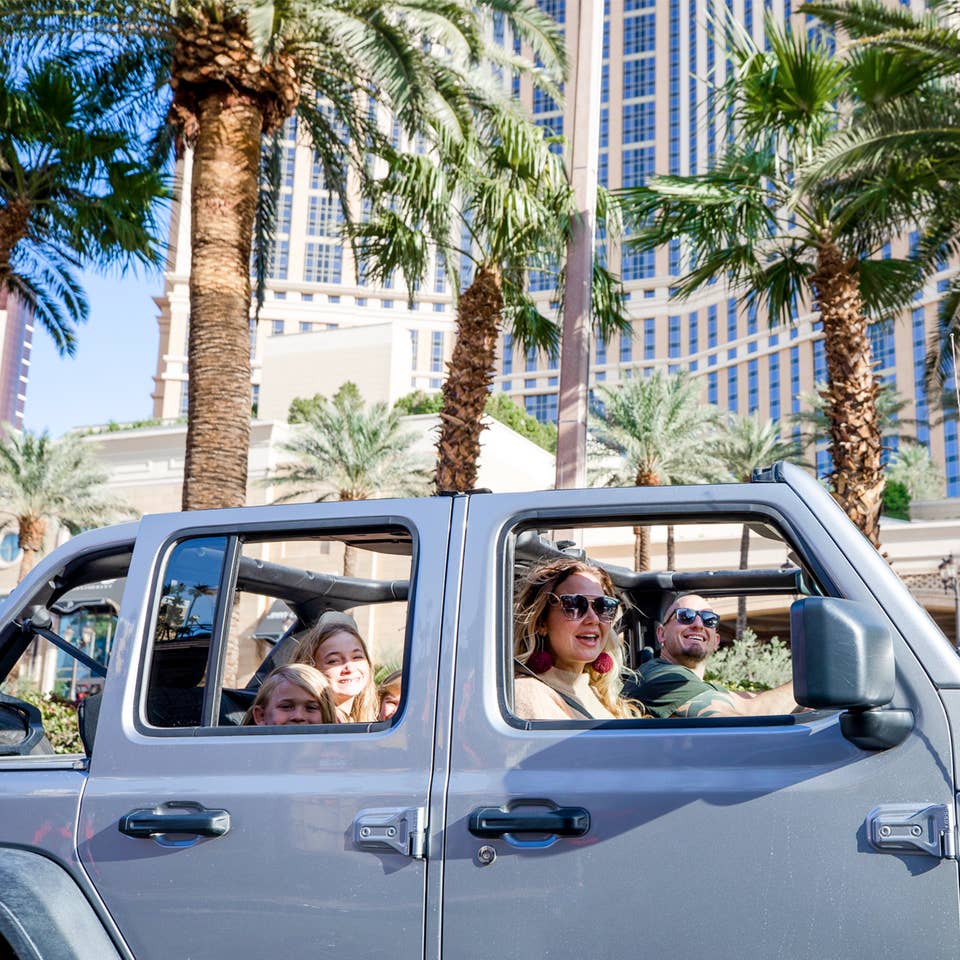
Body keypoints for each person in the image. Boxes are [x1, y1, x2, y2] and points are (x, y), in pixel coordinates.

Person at [629, 593, 801, 718]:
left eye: (709, 619)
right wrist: (810, 679)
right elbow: (748, 716)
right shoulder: (662, 677)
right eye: (685, 616)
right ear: (661, 634)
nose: (698, 624)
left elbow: (745, 699)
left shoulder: (693, 684)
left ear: (716, 640)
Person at [513, 557, 639, 720]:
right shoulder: (528, 692)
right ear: (541, 623)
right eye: (575, 605)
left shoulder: (596, 692)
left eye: (603, 606)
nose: (593, 619)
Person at [295, 620, 379, 722]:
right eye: (334, 661)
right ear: (310, 669)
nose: (350, 668)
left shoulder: (356, 720)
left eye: (357, 657)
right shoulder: (316, 724)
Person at [244, 663, 337, 726]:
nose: (298, 716)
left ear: (326, 715)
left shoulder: (345, 754)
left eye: (311, 708)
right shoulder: (240, 754)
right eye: (286, 707)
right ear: (261, 715)